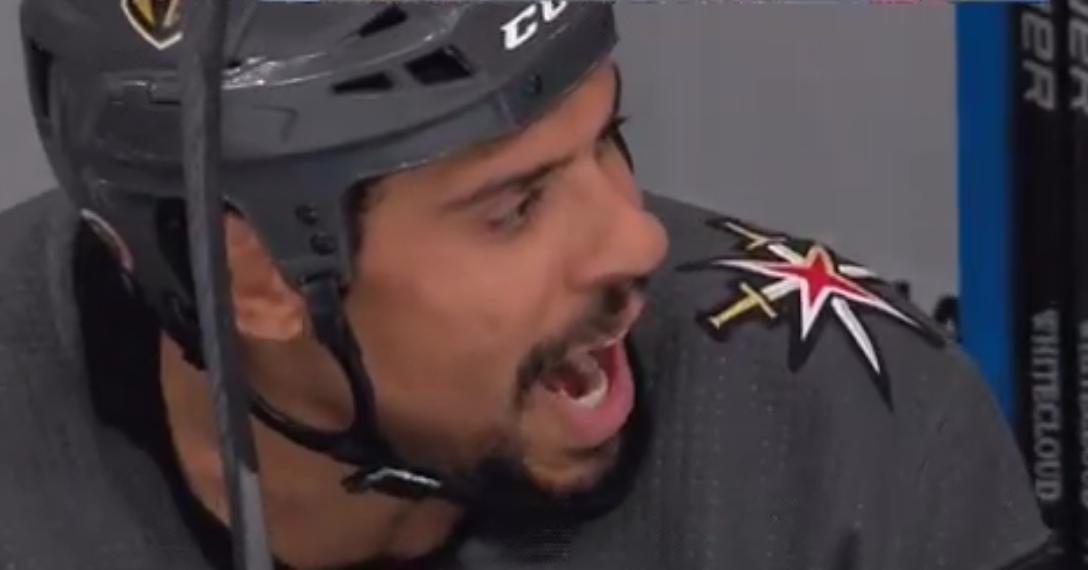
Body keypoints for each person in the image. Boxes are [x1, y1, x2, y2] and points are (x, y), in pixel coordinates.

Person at [4, 1, 1054, 569]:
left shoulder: (834, 426)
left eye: (609, 140)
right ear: (255, 278)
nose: (632, 242)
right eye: (514, 207)